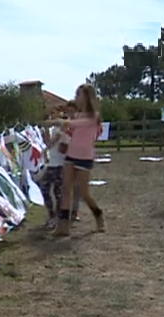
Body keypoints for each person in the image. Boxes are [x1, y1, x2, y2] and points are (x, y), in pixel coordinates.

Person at [45, 84, 106, 236]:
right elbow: (71, 130)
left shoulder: (94, 116)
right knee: (66, 190)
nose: (76, 98)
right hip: (71, 156)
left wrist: (59, 122)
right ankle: (63, 227)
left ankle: (98, 214)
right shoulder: (77, 116)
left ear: (87, 97)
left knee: (84, 193)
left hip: (85, 158)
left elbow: (74, 124)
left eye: (79, 95)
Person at [41, 112, 69, 229]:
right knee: (46, 190)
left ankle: (56, 217)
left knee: (57, 193)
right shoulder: (55, 129)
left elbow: (50, 144)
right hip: (52, 165)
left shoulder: (64, 130)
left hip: (59, 166)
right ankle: (52, 215)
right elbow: (48, 143)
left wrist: (48, 125)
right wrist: (46, 130)